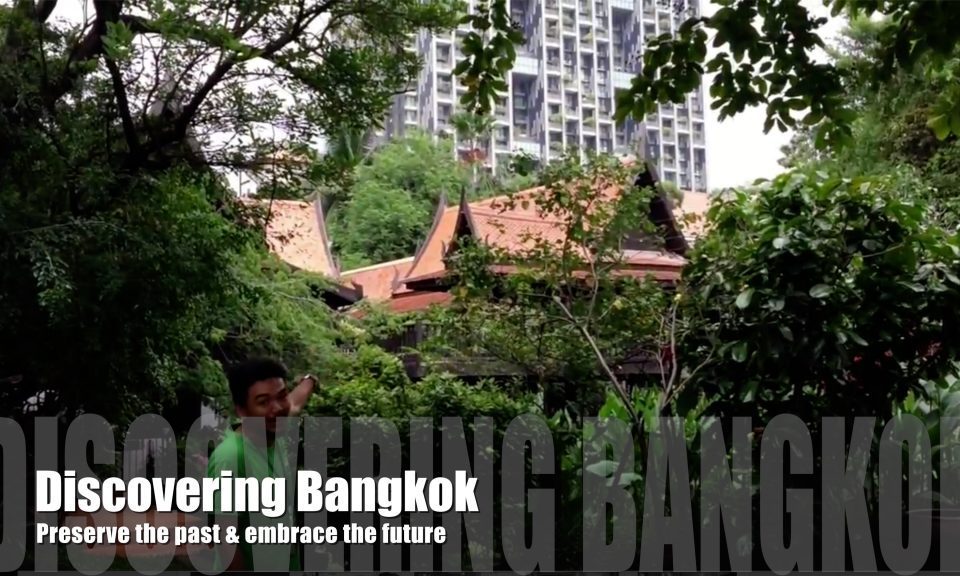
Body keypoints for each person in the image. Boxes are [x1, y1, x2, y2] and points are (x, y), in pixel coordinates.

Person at [206, 357, 316, 571]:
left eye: (281, 396)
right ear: (242, 411)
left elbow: (293, 404)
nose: (276, 408)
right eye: (263, 402)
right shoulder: (230, 458)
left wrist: (309, 381)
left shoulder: (274, 433)